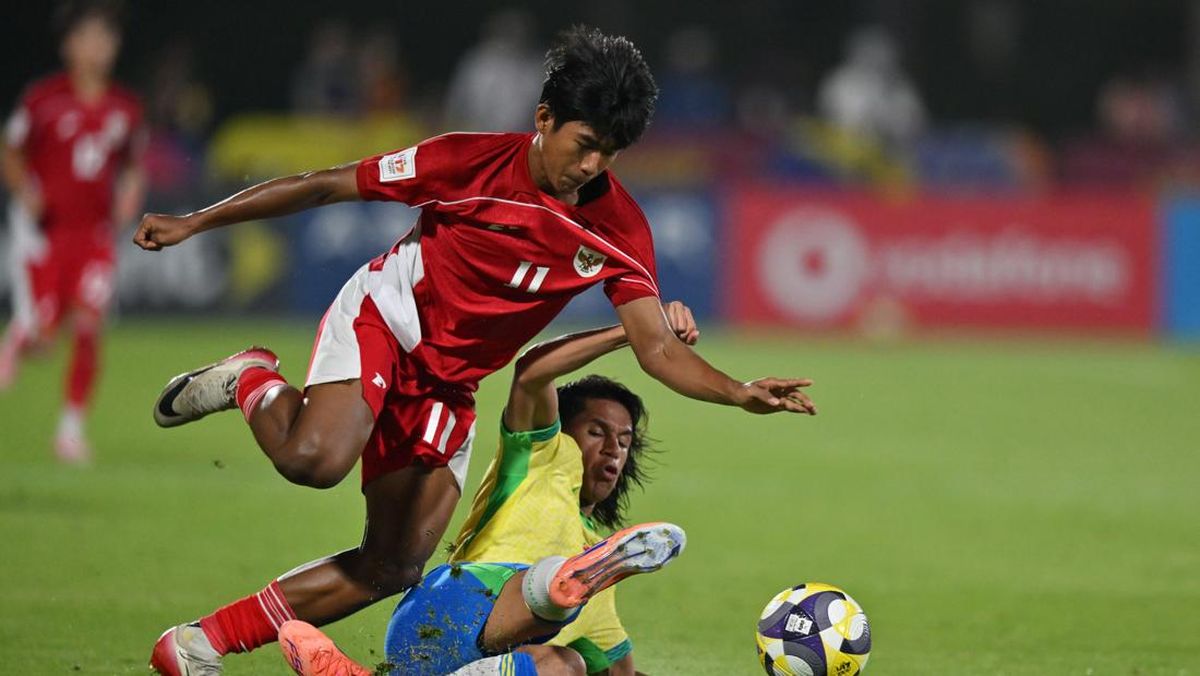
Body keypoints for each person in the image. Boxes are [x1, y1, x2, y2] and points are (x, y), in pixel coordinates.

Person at [140, 26, 815, 675]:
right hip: (390, 320)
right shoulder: (466, 161)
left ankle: (199, 644)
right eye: (584, 144)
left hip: (449, 385)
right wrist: (196, 221)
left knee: (394, 565)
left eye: (610, 153)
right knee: (313, 460)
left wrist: (738, 391)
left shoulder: (618, 226)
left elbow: (657, 350)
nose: (592, 167)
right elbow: (326, 184)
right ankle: (252, 379)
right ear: (544, 117)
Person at [279, 302, 698, 676]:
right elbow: (533, 368)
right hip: (448, 609)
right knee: (560, 603)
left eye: (624, 442)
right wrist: (637, 329)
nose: (612, 450)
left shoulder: (604, 579)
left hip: (471, 660)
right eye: (596, 432)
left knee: (564, 665)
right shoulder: (544, 455)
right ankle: (555, 586)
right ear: (562, 430)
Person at [0, 0, 146, 462]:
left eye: (106, 38)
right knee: (45, 336)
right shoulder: (42, 99)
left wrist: (128, 198)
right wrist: (25, 190)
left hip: (95, 236)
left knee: (88, 324)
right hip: (47, 234)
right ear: (68, 45)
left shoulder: (125, 107)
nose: (98, 48)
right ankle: (21, 336)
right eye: (88, 38)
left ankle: (70, 430)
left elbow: (134, 165)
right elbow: (11, 150)